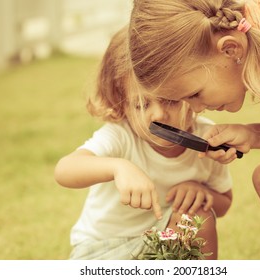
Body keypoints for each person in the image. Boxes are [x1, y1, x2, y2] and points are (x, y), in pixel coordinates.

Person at [128, 0, 260, 259]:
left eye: (195, 94)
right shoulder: (255, 42)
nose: (197, 109)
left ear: (230, 50)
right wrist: (250, 134)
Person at [54, 26, 233, 260]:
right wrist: (118, 167)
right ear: (123, 105)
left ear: (189, 92)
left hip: (161, 243)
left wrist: (202, 194)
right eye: (141, 104)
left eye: (169, 99)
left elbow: (224, 204)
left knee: (198, 214)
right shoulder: (122, 136)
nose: (158, 115)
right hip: (103, 250)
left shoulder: (207, 140)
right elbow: (65, 170)